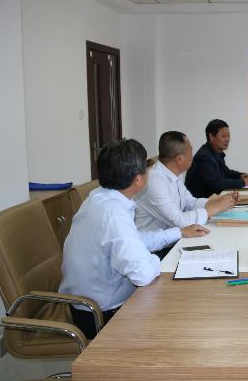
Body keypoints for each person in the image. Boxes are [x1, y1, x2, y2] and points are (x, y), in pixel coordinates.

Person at [60, 139, 209, 339]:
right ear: (138, 179)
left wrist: (179, 233)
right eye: (147, 168)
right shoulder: (114, 213)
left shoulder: (98, 198)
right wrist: (160, 260)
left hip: (87, 305)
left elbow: (135, 239)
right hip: (101, 315)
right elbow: (143, 274)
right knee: (183, 312)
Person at [135, 131, 238, 232]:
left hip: (175, 237)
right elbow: (180, 221)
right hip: (156, 242)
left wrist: (219, 201)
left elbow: (190, 203)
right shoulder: (155, 181)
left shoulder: (175, 174)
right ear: (180, 159)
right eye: (190, 151)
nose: (192, 156)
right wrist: (216, 207)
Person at [185, 119, 248, 198]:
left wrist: (241, 175)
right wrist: (244, 182)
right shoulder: (203, 157)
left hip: (212, 199)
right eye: (223, 136)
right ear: (211, 137)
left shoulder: (216, 152)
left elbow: (226, 172)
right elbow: (217, 183)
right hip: (201, 202)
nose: (227, 139)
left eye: (228, 136)